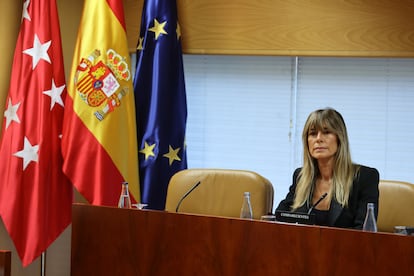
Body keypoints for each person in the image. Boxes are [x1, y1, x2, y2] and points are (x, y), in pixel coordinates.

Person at [276, 108, 379, 229]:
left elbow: (363, 231)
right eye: (313, 133)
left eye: (326, 132)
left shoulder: (364, 178)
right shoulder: (301, 177)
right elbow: (279, 218)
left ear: (340, 139)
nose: (318, 139)